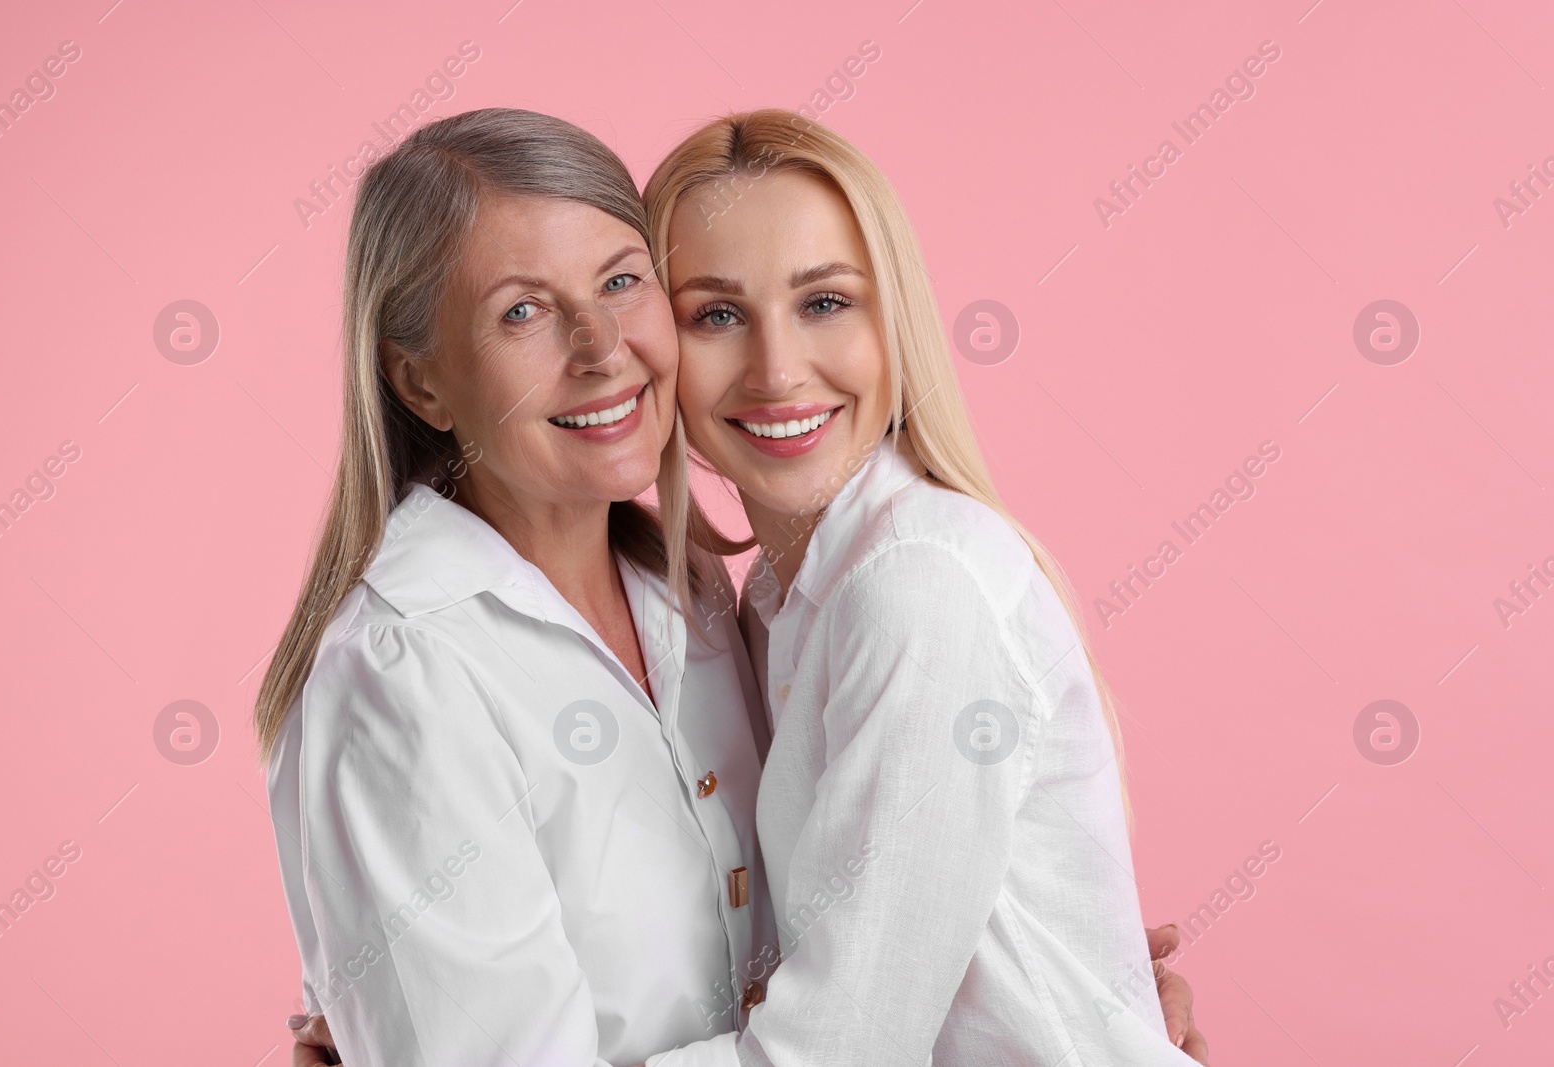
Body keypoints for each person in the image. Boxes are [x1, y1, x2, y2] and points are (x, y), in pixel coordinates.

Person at [276, 107, 1208, 1066]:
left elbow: (846, 1019)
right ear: (420, 386)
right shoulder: (420, 661)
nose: (601, 348)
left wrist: (1064, 989)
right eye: (522, 310)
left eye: (620, 283)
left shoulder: (746, 595)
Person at [635, 110, 1201, 1064]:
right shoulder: (774, 603)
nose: (778, 370)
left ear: (894, 320)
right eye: (717, 314)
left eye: (825, 302)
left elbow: (834, 1049)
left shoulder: (913, 586)